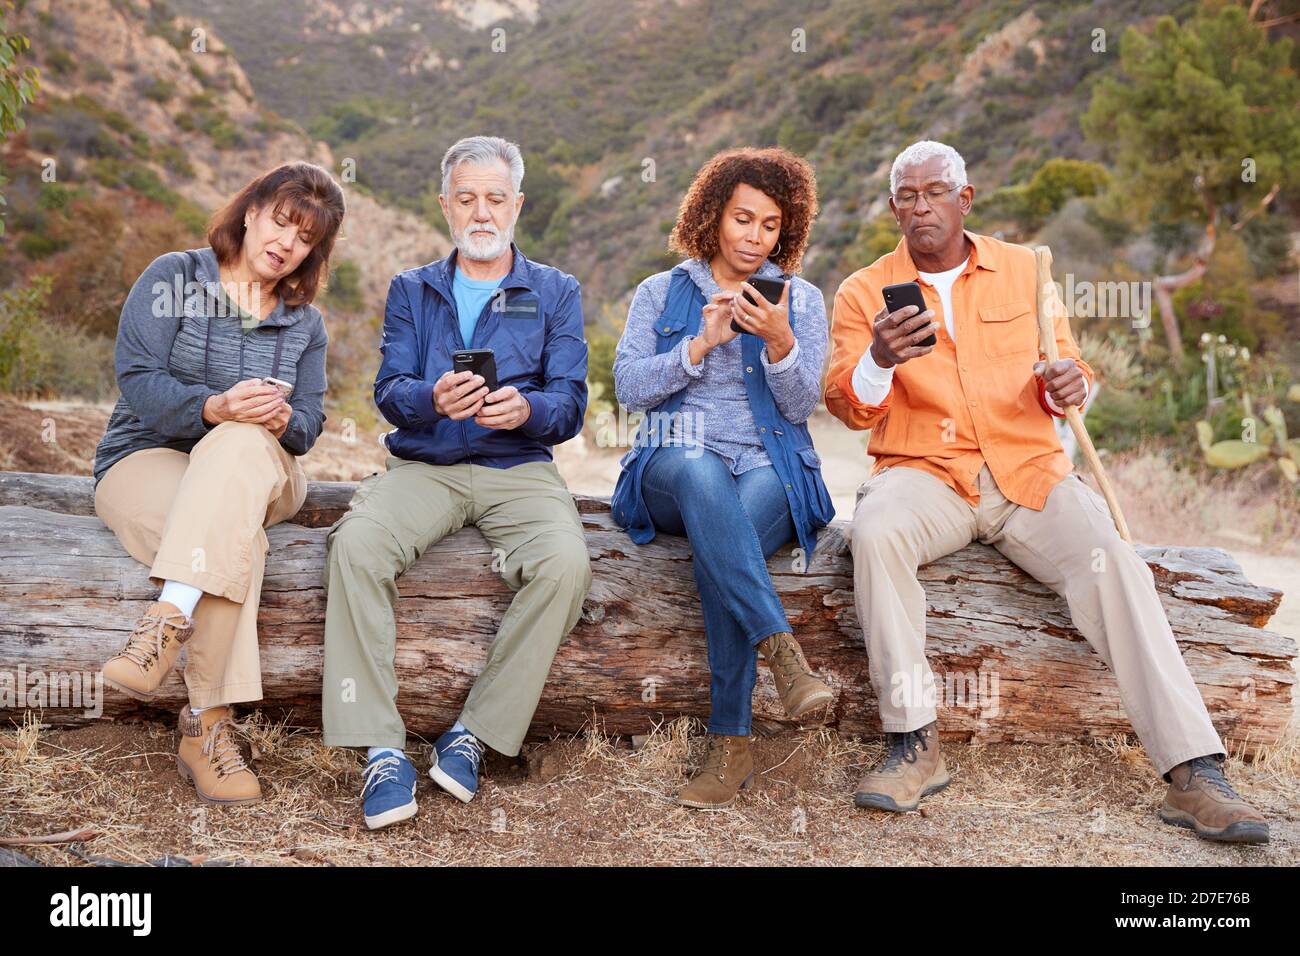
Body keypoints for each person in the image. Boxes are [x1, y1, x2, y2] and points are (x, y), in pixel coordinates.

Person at [823, 139, 1269, 844]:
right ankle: (914, 743)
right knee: (874, 534)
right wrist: (879, 357)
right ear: (892, 209)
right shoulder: (861, 290)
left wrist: (1074, 386)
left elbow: (1072, 366)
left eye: (934, 191)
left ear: (965, 199)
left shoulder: (1027, 269)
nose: (921, 207)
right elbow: (847, 406)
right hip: (926, 475)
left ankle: (1193, 771)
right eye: (906, 197)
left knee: (1112, 559)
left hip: (1026, 471)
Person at [321, 136, 591, 831]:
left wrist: (527, 409)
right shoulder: (413, 289)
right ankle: (381, 748)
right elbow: (389, 389)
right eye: (465, 198)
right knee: (356, 547)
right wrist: (430, 399)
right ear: (445, 207)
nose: (481, 211)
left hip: (518, 467)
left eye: (495, 198)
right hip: (426, 464)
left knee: (564, 564)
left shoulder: (556, 291)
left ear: (517, 205)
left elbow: (570, 402)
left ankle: (473, 733)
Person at [93, 161, 344, 805]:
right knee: (238, 545)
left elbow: (310, 423)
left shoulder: (305, 324)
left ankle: (170, 612)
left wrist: (282, 418)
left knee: (238, 446)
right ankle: (209, 731)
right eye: (281, 221)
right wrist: (215, 406)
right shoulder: (174, 276)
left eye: (305, 237)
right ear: (251, 211)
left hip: (265, 471)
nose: (286, 243)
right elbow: (139, 379)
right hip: (146, 457)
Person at [611, 147, 836, 809]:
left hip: (771, 466)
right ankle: (783, 653)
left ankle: (730, 744)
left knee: (724, 539)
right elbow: (629, 388)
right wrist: (698, 347)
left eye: (770, 225)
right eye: (743, 218)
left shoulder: (803, 301)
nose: (753, 236)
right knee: (704, 476)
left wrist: (779, 343)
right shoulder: (662, 292)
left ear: (784, 231)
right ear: (713, 215)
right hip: (672, 462)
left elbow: (799, 408)